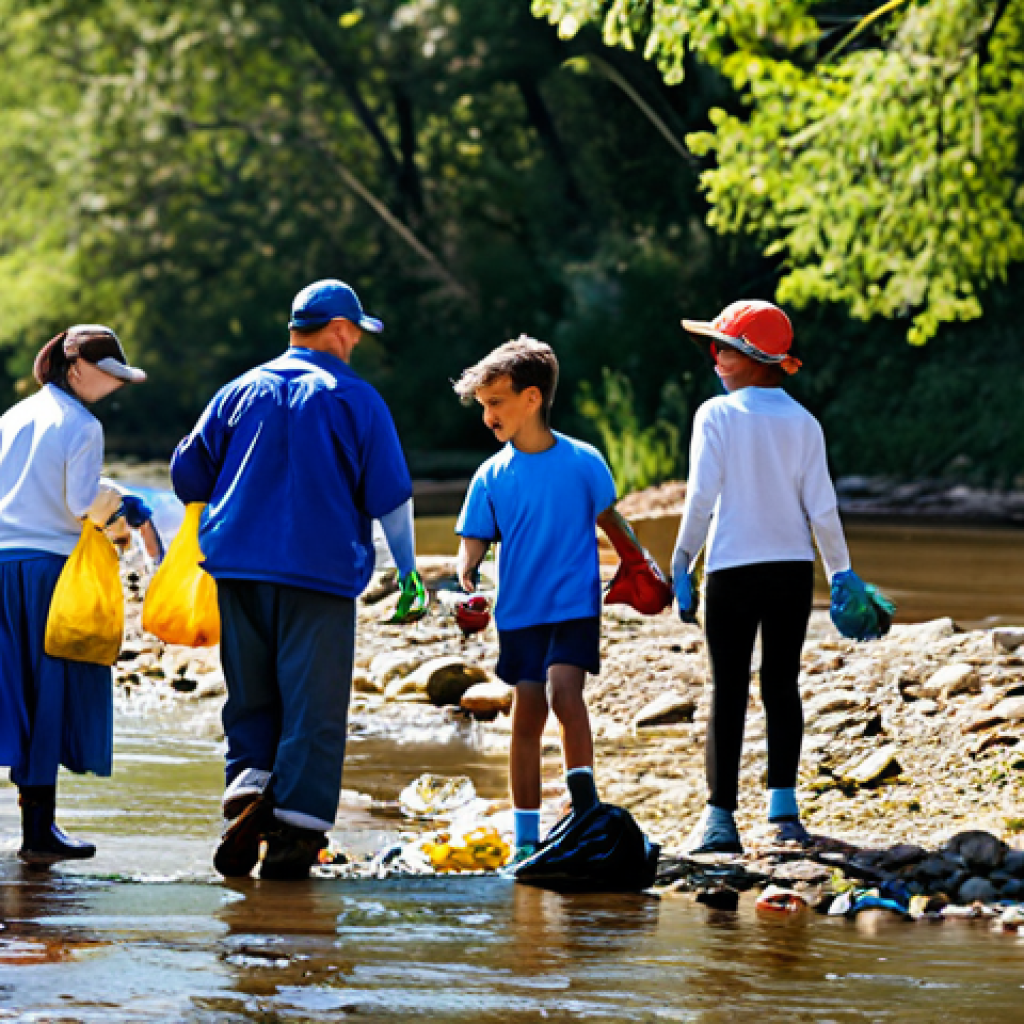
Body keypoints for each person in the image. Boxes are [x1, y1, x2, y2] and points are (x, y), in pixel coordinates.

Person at [171, 279, 427, 881]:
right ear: (341, 329)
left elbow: (188, 475)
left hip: (237, 568)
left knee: (253, 693)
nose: (357, 342)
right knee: (313, 706)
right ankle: (293, 838)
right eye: (357, 331)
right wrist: (410, 571)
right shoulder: (356, 398)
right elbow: (390, 497)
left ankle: (248, 786)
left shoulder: (238, 390)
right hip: (319, 573)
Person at [672, 300, 888, 856]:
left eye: (724, 348)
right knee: (781, 684)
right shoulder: (805, 423)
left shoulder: (714, 417)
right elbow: (823, 508)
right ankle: (783, 810)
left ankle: (720, 819)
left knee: (729, 687)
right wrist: (842, 573)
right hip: (791, 571)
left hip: (731, 570)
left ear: (753, 358)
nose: (714, 357)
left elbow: (700, 499)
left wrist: (681, 562)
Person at [453, 336, 663, 862]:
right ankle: (526, 838)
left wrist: (641, 566)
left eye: (495, 403)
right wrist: (466, 572)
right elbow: (474, 537)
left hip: (575, 602)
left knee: (566, 696)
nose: (488, 417)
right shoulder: (490, 474)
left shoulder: (584, 462)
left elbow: (612, 520)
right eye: (483, 407)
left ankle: (585, 807)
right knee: (526, 713)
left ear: (532, 398)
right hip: (519, 611)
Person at [0, 324, 149, 863]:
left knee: (12, 692)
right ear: (76, 369)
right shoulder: (82, 424)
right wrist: (125, 499)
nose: (112, 386)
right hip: (47, 573)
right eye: (107, 376)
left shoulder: (13, 416)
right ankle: (38, 835)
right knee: (47, 694)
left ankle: (36, 828)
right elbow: (81, 503)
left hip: (1, 564)